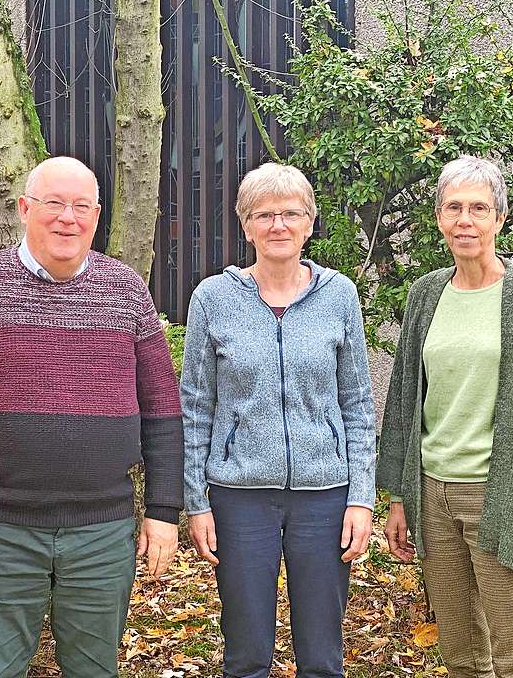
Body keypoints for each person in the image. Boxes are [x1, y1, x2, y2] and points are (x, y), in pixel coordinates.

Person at [0, 156, 184, 678]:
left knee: (95, 669)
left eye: (81, 206)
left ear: (97, 215)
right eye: (54, 203)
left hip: (101, 530)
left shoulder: (126, 291)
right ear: (24, 209)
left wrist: (163, 510)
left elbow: (163, 412)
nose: (67, 218)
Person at [377, 155, 513, 678]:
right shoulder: (426, 295)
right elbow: (406, 396)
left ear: (499, 219)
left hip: (504, 492)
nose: (466, 221)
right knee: (458, 651)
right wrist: (399, 497)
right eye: (454, 208)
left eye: (479, 208)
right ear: (438, 218)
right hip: (433, 491)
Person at [181, 162, 377, 678]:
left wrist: (361, 497)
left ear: (309, 223)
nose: (278, 225)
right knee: (246, 652)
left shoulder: (339, 296)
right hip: (240, 497)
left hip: (325, 495)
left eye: (291, 213)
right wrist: (197, 502)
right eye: (264, 215)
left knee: (321, 654)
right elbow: (196, 406)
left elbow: (357, 404)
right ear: (246, 226)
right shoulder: (213, 299)